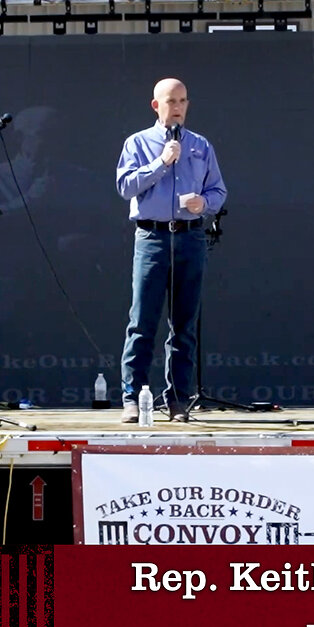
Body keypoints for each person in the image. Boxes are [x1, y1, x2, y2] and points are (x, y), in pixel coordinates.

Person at [115, 78, 228, 423]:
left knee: (183, 324)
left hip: (191, 239)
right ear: (156, 105)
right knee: (142, 321)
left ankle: (178, 398)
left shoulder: (200, 145)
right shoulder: (137, 143)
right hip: (152, 238)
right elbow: (125, 186)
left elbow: (219, 191)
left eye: (182, 101)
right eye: (170, 101)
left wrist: (203, 203)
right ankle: (132, 397)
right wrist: (162, 162)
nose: (177, 107)